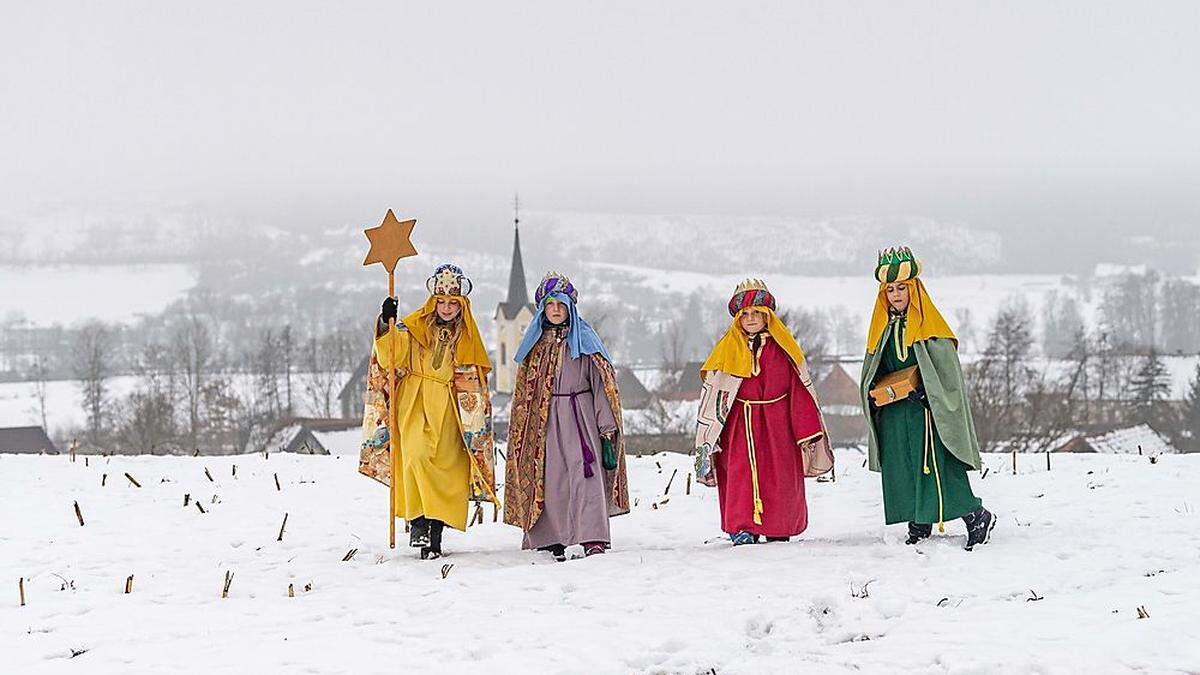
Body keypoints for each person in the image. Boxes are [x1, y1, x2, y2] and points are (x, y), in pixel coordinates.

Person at [860, 247, 996, 550]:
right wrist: (873, 393)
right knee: (902, 463)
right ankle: (919, 518)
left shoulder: (931, 328)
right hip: (895, 410)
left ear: (914, 289)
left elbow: (946, 375)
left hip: (925, 411)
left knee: (938, 464)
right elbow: (874, 367)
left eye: (901, 289)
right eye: (890, 289)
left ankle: (976, 514)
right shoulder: (882, 328)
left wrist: (931, 395)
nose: (895, 295)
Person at [358, 263, 497, 559]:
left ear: (462, 305)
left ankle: (435, 537)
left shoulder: (467, 335)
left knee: (445, 469)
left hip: (449, 407)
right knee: (416, 457)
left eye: (453, 303)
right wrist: (386, 321)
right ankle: (418, 522)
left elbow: (476, 374)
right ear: (433, 301)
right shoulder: (414, 327)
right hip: (415, 401)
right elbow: (391, 355)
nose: (446, 309)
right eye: (441, 302)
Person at [694, 279, 834, 545]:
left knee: (780, 477)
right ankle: (741, 527)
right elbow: (714, 395)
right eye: (744, 314)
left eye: (756, 313)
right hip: (738, 426)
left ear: (767, 315)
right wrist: (712, 435)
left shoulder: (784, 349)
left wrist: (807, 430)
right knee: (739, 477)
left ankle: (779, 526)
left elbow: (798, 389)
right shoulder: (726, 350)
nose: (750, 319)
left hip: (778, 425)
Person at [504, 272, 629, 561]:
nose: (556, 310)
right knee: (552, 479)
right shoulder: (534, 347)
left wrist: (605, 425)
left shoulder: (585, 342)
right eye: (550, 305)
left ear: (570, 307)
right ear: (543, 310)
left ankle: (592, 536)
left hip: (581, 416)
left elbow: (601, 386)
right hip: (547, 422)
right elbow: (526, 394)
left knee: (586, 474)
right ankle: (551, 537)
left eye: (561, 304)